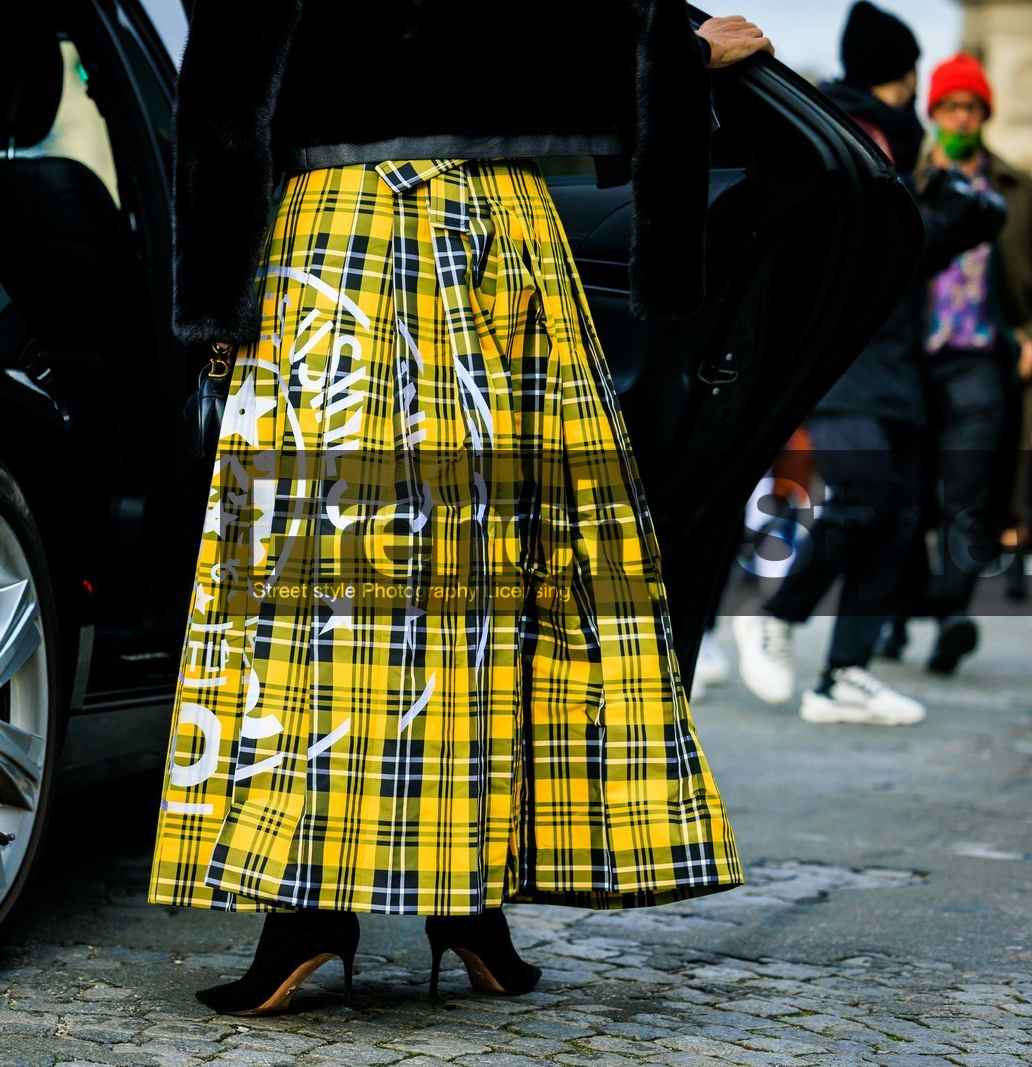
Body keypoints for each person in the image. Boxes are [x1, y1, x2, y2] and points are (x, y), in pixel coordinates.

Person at [149, 0, 773, 1016]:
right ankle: (470, 910)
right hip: (498, 229)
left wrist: (214, 304)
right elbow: (598, 32)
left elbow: (228, 78)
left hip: (335, 234)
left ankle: (307, 910)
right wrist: (681, 58)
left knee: (323, 573)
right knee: (504, 565)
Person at [732, 1, 1005, 725]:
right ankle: (775, 616)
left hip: (893, 356)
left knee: (901, 513)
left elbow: (899, 257)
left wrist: (949, 224)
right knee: (863, 497)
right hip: (848, 355)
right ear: (905, 73)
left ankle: (843, 676)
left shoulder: (888, 141)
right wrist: (949, 225)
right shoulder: (855, 132)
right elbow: (871, 248)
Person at [878, 52, 1032, 669]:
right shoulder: (904, 181)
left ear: (985, 113)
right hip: (912, 362)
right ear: (935, 112)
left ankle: (951, 615)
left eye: (971, 107)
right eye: (951, 106)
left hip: (983, 362)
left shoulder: (1021, 191)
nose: (961, 117)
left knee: (968, 494)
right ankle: (897, 614)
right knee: (907, 495)